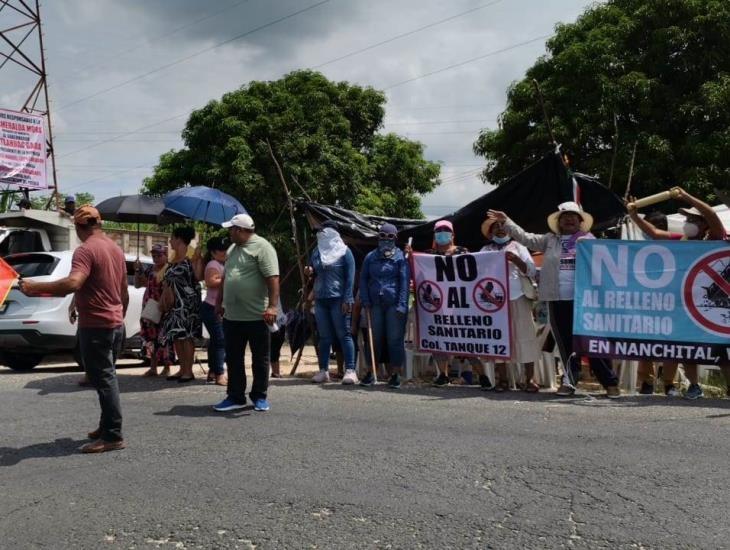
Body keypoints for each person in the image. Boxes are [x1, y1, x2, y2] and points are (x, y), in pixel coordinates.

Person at [19, 206, 128, 453]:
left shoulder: (85, 250)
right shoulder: (114, 249)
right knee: (106, 376)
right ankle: (106, 425)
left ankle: (113, 435)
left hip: (96, 325)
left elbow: (74, 282)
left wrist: (35, 287)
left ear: (79, 227)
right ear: (98, 223)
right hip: (114, 322)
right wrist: (118, 317)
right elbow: (121, 290)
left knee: (104, 379)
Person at [487, 202, 621, 398]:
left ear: (580, 221)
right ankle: (569, 381)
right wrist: (506, 221)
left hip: (584, 301)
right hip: (556, 299)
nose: (569, 219)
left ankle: (610, 383)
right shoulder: (549, 240)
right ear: (558, 222)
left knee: (592, 341)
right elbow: (526, 238)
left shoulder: (590, 241)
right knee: (566, 343)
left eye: (573, 216)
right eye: (564, 216)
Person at [628, 188, 729, 399]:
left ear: (704, 225)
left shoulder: (716, 239)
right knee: (687, 346)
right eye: (687, 218)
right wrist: (635, 216)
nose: (687, 222)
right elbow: (655, 234)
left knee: (722, 350)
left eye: (693, 219)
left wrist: (687, 197)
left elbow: (711, 213)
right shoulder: (681, 241)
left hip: (713, 305)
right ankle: (694, 385)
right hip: (685, 305)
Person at [407, 220, 486, 387]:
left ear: (452, 234)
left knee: (466, 340)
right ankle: (443, 374)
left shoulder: (462, 252)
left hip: (459, 304)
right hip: (439, 306)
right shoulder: (429, 255)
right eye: (438, 231)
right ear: (435, 235)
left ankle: (483, 376)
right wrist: (411, 256)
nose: (442, 233)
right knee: (438, 339)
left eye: (445, 230)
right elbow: (418, 273)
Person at [213, 213, 279, 412]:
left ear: (240, 230)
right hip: (232, 315)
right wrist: (218, 301)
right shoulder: (233, 248)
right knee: (233, 357)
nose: (229, 233)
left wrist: (273, 307)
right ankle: (235, 396)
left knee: (260, 358)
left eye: (231, 229)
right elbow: (225, 278)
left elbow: (273, 278)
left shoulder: (263, 247)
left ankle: (259, 396)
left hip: (258, 315)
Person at [480, 217, 541, 392]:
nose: (500, 229)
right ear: (490, 232)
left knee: (525, 336)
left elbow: (531, 270)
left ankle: (529, 379)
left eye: (503, 226)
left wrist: (515, 259)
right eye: (496, 227)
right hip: (494, 302)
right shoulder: (485, 250)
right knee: (498, 339)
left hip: (518, 296)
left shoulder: (519, 247)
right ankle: (503, 380)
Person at [306, 220, 357, 385]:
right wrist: (310, 270)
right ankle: (323, 371)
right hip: (321, 299)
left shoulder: (345, 253)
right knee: (324, 337)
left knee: (344, 334)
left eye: (323, 231)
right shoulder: (316, 251)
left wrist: (348, 298)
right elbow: (312, 269)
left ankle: (350, 370)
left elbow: (350, 278)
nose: (320, 234)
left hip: (339, 299)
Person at [359, 223, 409, 389]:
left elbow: (404, 282)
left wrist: (402, 305)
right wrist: (365, 300)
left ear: (395, 238)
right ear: (378, 237)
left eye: (390, 236)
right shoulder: (370, 257)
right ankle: (370, 372)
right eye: (382, 235)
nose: (386, 239)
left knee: (395, 339)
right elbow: (363, 280)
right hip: (374, 305)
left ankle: (395, 374)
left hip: (394, 305)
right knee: (374, 339)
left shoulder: (400, 258)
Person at [159, 226, 202, 383]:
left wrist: (198, 259)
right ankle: (182, 368)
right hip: (174, 304)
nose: (170, 241)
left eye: (172, 237)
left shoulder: (191, 258)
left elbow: (198, 277)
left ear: (178, 239)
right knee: (177, 335)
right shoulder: (173, 260)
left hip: (188, 304)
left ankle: (188, 371)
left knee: (187, 336)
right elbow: (166, 282)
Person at [134, 243, 176, 377]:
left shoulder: (169, 270)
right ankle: (153, 367)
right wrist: (138, 270)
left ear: (166, 256)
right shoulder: (149, 270)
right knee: (150, 337)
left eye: (159, 255)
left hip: (164, 308)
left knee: (165, 338)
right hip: (149, 307)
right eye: (154, 255)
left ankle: (167, 367)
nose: (156, 258)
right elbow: (137, 284)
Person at [200, 236, 228, 386]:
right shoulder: (213, 264)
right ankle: (219, 374)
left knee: (216, 341)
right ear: (213, 252)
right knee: (220, 340)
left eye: (225, 249)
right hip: (211, 307)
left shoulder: (222, 264)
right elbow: (210, 282)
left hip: (217, 307)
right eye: (220, 250)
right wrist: (228, 278)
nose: (224, 252)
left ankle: (213, 371)